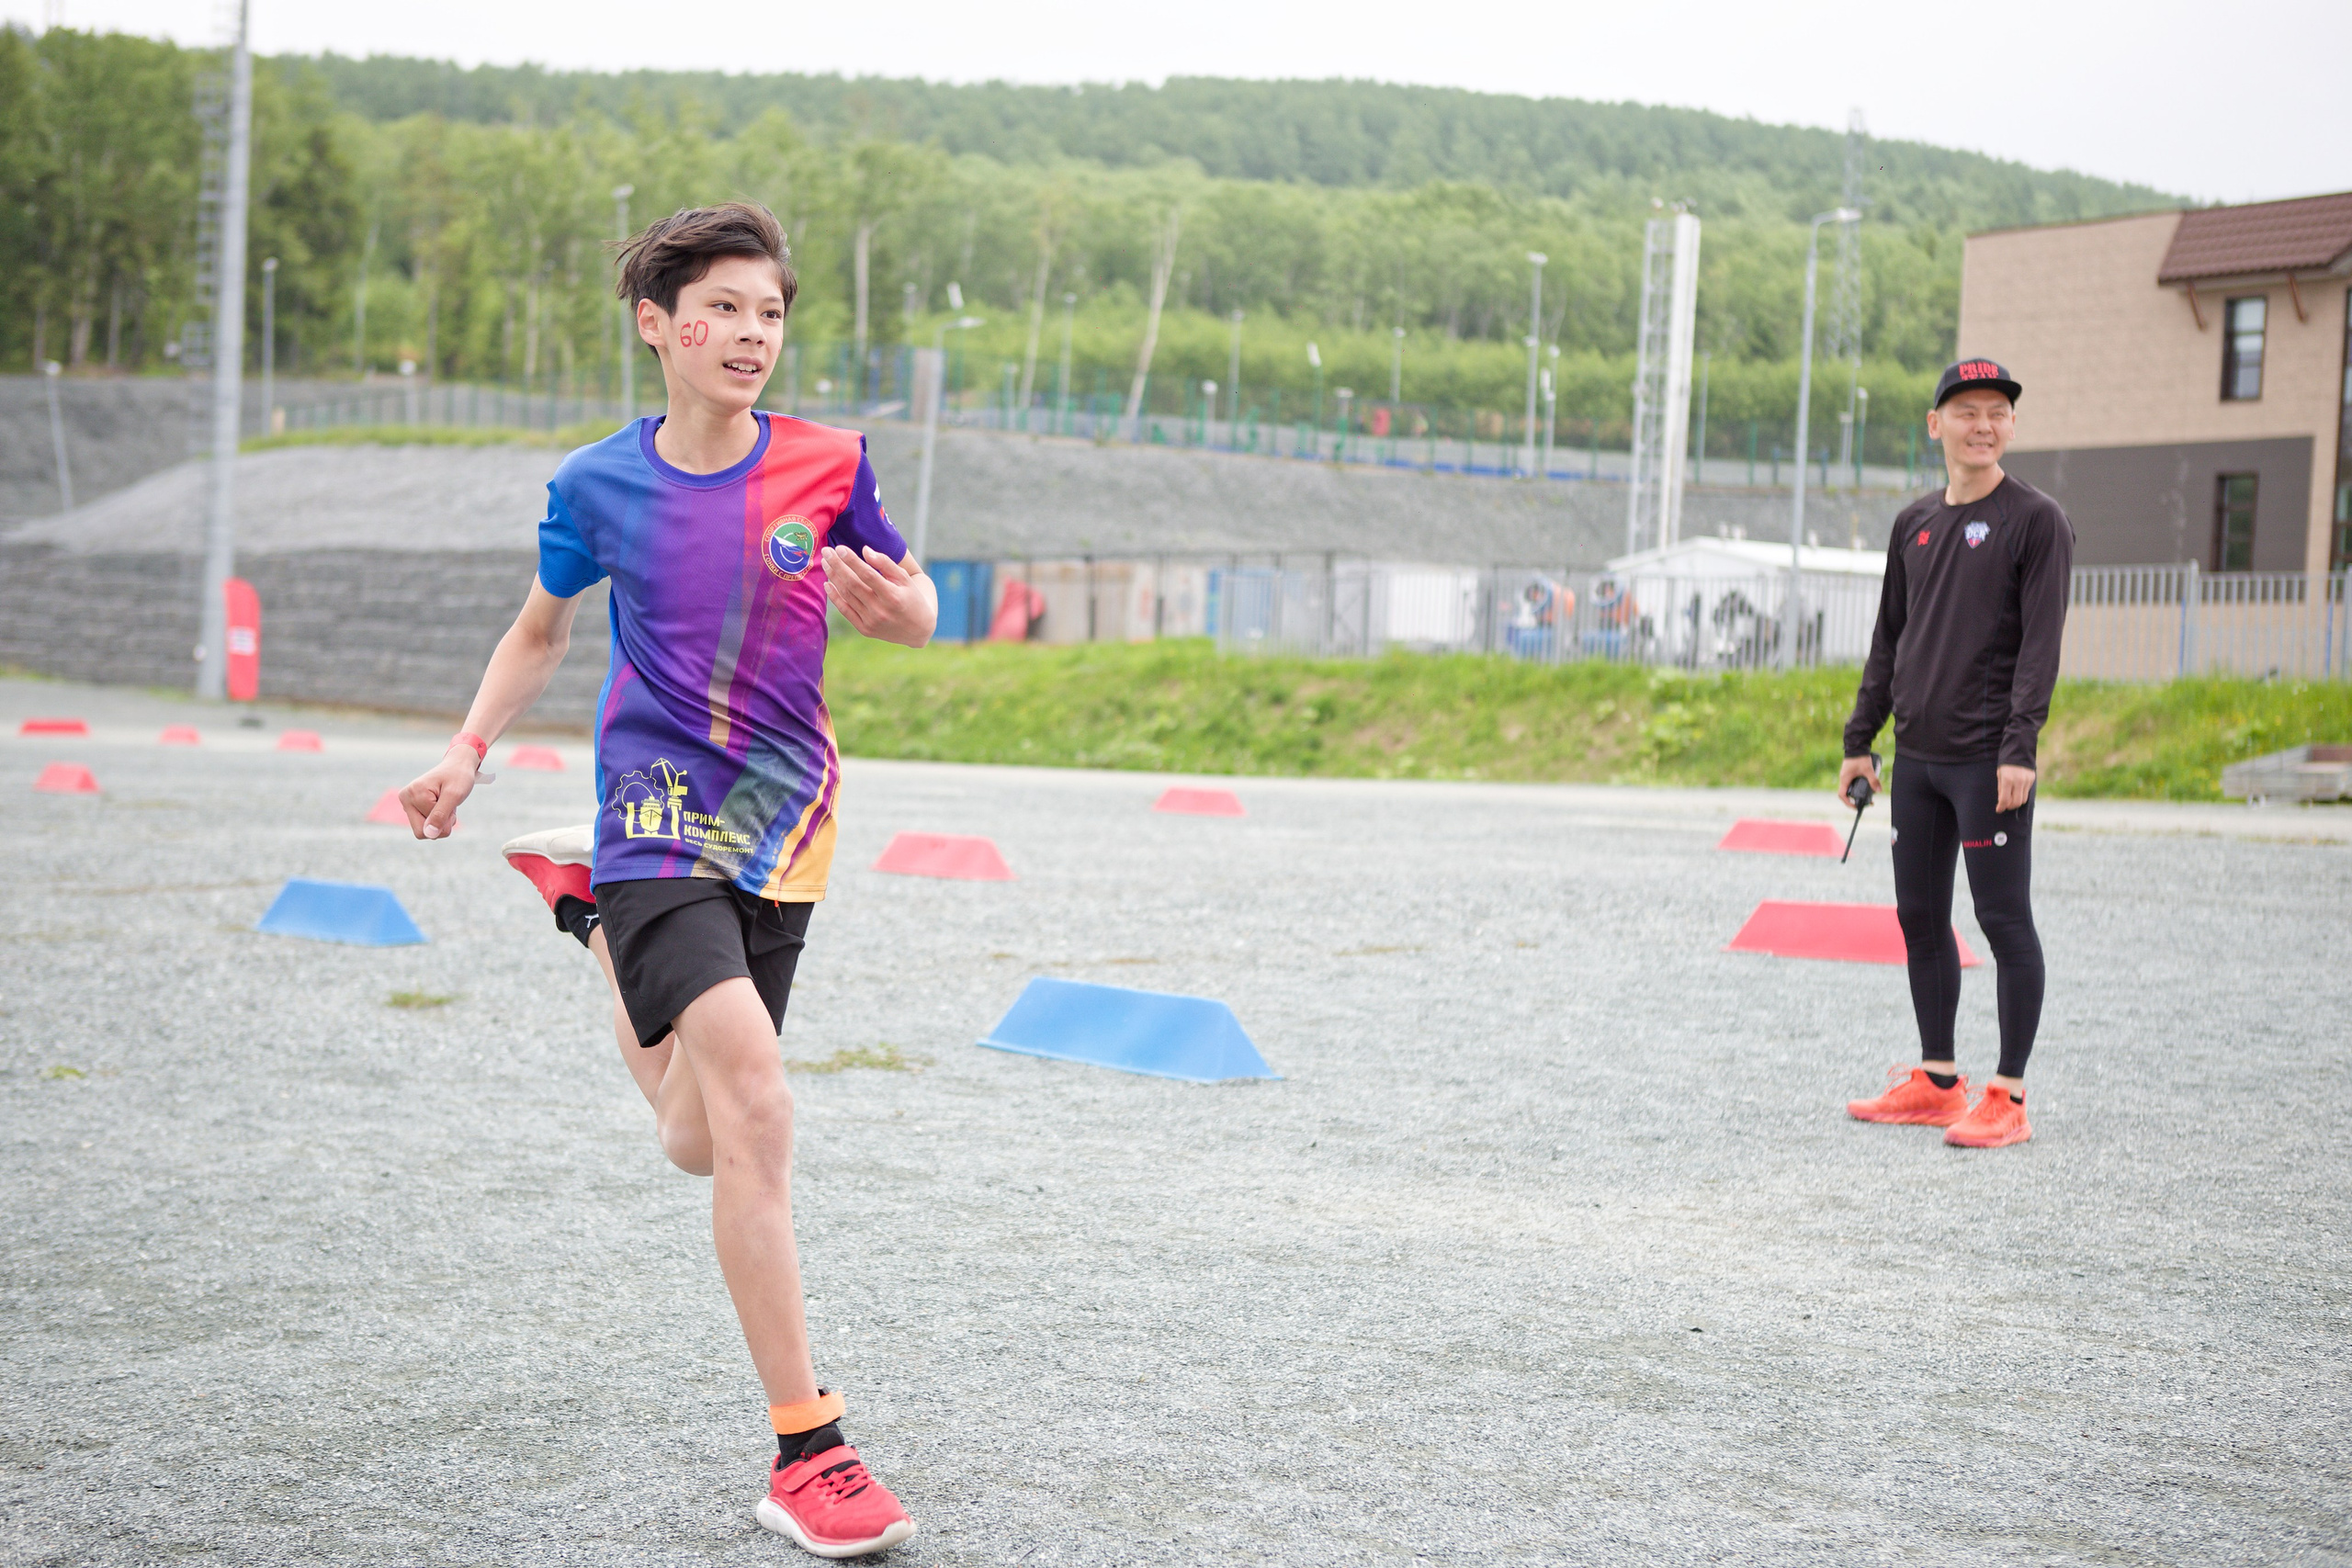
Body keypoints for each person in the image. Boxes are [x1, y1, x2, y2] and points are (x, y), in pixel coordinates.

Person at [399, 201, 936, 1557]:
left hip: (784, 819)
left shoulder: (830, 462)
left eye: (771, 313)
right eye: (726, 310)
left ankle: (584, 924)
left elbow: (916, 596)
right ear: (657, 323)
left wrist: (909, 612)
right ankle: (808, 1446)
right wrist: (467, 750)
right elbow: (541, 629)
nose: (753, 335)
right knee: (757, 1099)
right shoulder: (595, 487)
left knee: (699, 1136)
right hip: (652, 815)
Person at [1838, 358, 2073, 1150]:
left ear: (2010, 426)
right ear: (1935, 424)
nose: (1983, 424)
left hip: (1987, 761)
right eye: (1966, 411)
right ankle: (1939, 1082)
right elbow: (1889, 640)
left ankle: (2007, 1095)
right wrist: (1859, 740)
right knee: (1919, 916)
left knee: (2003, 918)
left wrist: (2020, 747)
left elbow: (2040, 646)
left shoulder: (2036, 520)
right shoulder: (1914, 524)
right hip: (1920, 760)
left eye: (1997, 412)